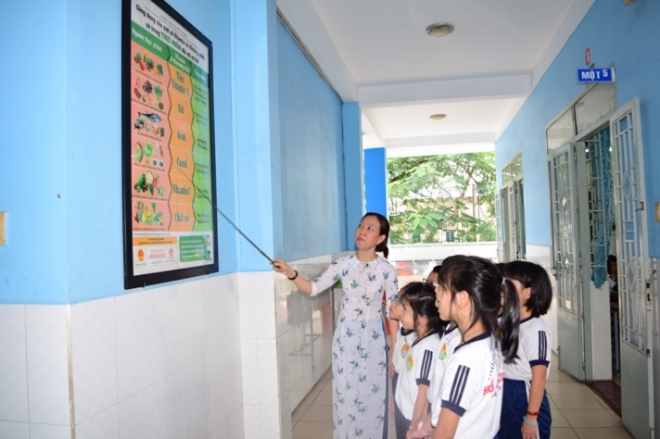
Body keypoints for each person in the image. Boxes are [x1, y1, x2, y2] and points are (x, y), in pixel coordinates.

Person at [272, 212, 399, 439]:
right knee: (346, 396)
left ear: (381, 239)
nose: (362, 231)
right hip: (345, 339)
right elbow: (313, 288)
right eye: (361, 225)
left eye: (370, 228)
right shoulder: (343, 264)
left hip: (374, 341)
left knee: (372, 396)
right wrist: (291, 273)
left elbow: (393, 313)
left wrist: (394, 352)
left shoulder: (387, 271)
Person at [411, 256, 520, 439]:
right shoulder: (489, 340)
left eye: (443, 288)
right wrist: (423, 429)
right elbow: (446, 406)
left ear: (462, 299)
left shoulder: (466, 359)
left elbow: (445, 433)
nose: (436, 293)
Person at [496, 261, 553, 439]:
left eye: (509, 285)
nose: (502, 289)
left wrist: (531, 417)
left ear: (527, 293)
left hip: (523, 394)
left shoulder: (536, 329)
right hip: (502, 389)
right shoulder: (506, 321)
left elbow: (539, 376)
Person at [394, 282, 444, 439]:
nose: (401, 313)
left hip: (413, 417)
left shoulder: (428, 347)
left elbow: (424, 392)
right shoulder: (419, 339)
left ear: (422, 318)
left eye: (406, 309)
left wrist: (415, 426)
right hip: (406, 412)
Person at [389, 284, 417, 415]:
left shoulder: (417, 343)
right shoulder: (400, 335)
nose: (393, 303)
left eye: (401, 302)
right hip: (401, 399)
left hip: (412, 409)